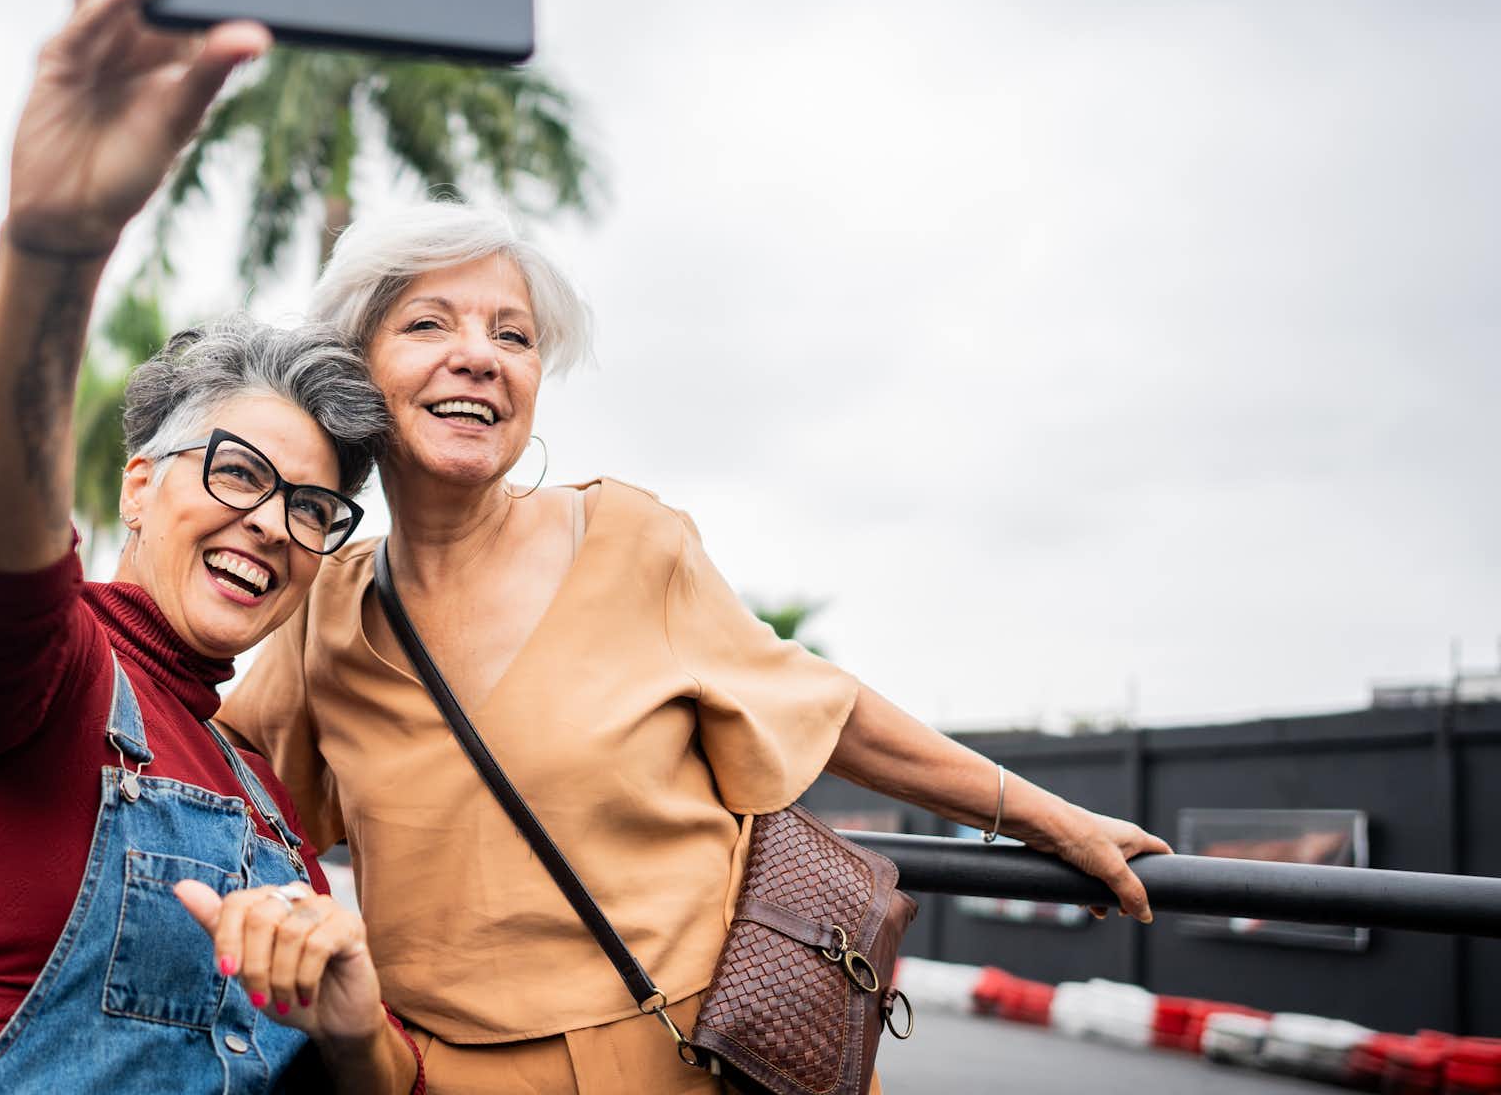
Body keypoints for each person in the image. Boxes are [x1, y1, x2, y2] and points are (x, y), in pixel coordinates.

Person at [218, 201, 1175, 1093]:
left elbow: (826, 710)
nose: (480, 357)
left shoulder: (632, 542)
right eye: (429, 324)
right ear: (357, 366)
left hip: (702, 1057)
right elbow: (204, 763)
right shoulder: (325, 612)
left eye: (513, 336)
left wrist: (1048, 820)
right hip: (445, 1072)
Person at [0, 0, 424, 1094]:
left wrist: (348, 1019)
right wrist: (56, 248)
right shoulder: (54, 678)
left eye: (312, 506)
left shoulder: (264, 798)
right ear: (137, 481)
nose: (273, 523)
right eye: (234, 470)